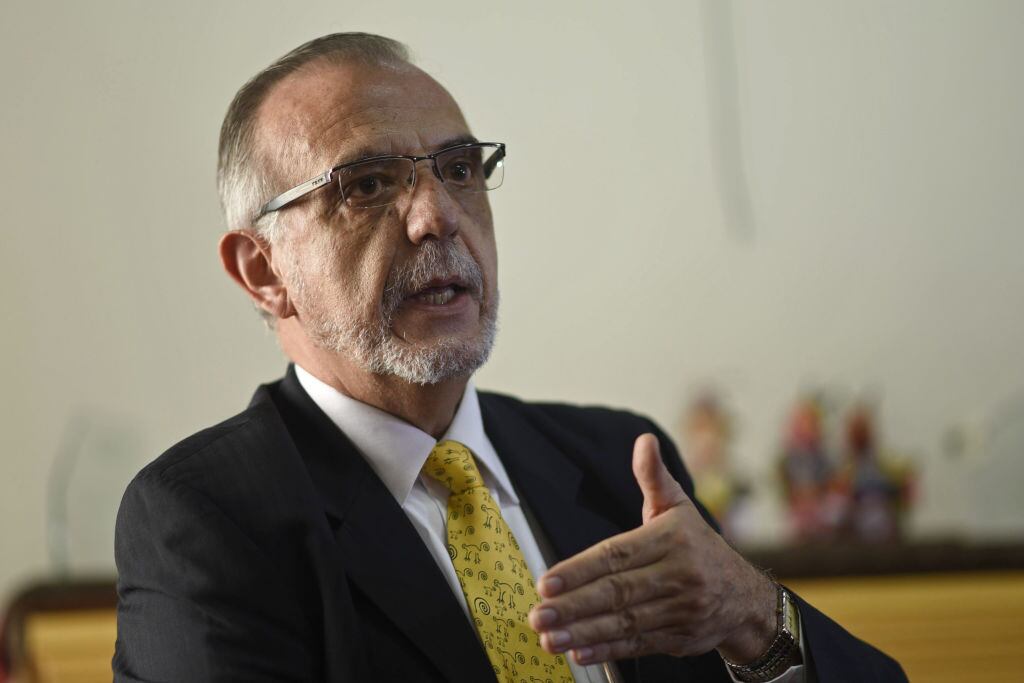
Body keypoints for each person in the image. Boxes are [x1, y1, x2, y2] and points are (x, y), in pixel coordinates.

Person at [113, 33, 906, 683]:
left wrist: (754, 615)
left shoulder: (618, 463)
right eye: (369, 184)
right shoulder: (205, 521)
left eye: (460, 169)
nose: (436, 216)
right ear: (263, 270)